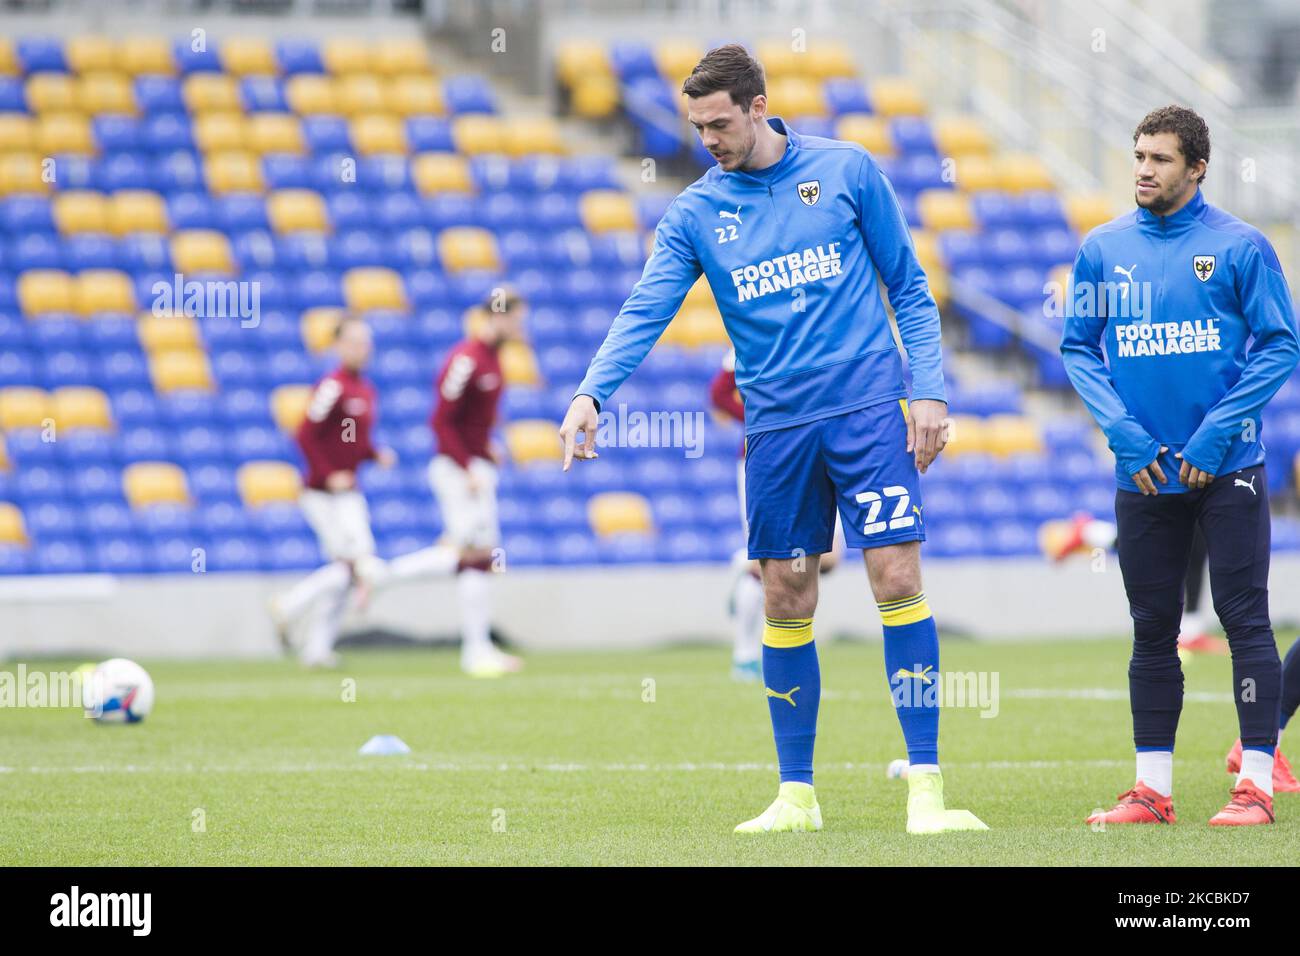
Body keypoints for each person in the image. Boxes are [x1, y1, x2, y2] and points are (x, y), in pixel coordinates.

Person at [558, 45, 986, 835]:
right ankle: (797, 796)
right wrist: (592, 392)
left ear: (759, 107)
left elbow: (910, 286)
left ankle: (926, 786)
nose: (708, 139)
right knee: (786, 594)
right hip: (778, 430)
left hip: (865, 414)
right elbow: (646, 306)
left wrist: (927, 389)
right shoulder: (694, 212)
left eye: (719, 122)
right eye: (697, 126)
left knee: (895, 577)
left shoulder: (849, 172)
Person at [1062, 106, 1299, 826]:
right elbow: (1078, 347)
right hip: (1142, 475)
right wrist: (1125, 437)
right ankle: (1151, 791)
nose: (1143, 169)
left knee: (1244, 621)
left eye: (1160, 159)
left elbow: (1279, 345)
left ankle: (1255, 784)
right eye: (1138, 156)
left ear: (1196, 167)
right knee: (1151, 627)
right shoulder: (1103, 250)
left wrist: (1216, 436)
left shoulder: (1240, 248)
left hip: (1228, 471)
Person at [269, 316, 395, 668]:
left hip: (349, 490)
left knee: (349, 569)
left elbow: (352, 436)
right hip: (323, 493)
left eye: (365, 342)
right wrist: (328, 474)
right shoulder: (333, 386)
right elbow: (305, 434)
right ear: (339, 346)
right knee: (354, 565)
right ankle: (289, 605)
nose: (362, 349)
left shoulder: (364, 390)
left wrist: (373, 454)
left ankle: (316, 648)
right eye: (354, 342)